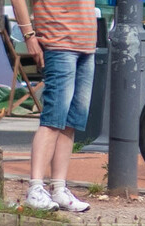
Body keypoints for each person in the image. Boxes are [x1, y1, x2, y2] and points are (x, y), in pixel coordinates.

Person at [11, 0, 99, 212]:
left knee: (71, 122)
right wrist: (29, 35)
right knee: (53, 119)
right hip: (58, 43)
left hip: (86, 45)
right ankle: (35, 189)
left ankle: (59, 188)